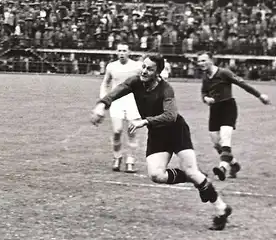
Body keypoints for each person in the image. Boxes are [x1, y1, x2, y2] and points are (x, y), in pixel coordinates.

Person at [91, 54, 232, 230]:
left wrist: (145, 121)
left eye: (150, 69)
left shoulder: (166, 89)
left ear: (158, 72)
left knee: (193, 172)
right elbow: (116, 91)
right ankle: (192, 175)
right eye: (143, 66)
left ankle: (221, 209)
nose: (144, 70)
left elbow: (171, 115)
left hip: (176, 130)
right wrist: (102, 105)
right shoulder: (135, 82)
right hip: (157, 134)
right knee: (157, 175)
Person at [197, 52, 270, 181]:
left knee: (225, 140)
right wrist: (206, 98)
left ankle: (222, 168)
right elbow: (204, 92)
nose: (201, 64)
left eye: (203, 60)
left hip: (228, 107)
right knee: (216, 143)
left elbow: (242, 84)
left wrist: (260, 95)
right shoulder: (205, 77)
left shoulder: (224, 73)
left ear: (211, 60)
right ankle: (234, 165)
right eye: (199, 61)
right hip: (214, 110)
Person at [99, 43, 142, 173]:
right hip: (117, 101)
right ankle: (117, 157)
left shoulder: (137, 66)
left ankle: (130, 161)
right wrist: (104, 100)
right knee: (117, 131)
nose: (122, 53)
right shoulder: (112, 66)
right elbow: (105, 83)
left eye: (124, 51)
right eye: (119, 51)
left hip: (133, 102)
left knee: (132, 132)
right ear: (116, 52)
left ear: (129, 52)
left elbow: (147, 80)